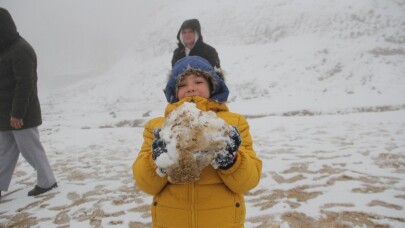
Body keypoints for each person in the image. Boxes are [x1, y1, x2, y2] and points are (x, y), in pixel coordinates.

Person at [132, 55, 262, 227]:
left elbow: (248, 182)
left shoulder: (233, 123)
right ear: (174, 92)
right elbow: (146, 185)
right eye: (182, 84)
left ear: (212, 86)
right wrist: (158, 162)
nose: (191, 88)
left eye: (198, 82)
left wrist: (232, 161)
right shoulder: (157, 127)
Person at [0, 8, 57, 199]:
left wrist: (17, 114)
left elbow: (25, 84)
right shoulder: (4, 49)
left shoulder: (21, 49)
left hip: (21, 114)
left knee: (30, 150)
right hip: (4, 113)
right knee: (4, 153)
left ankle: (47, 182)